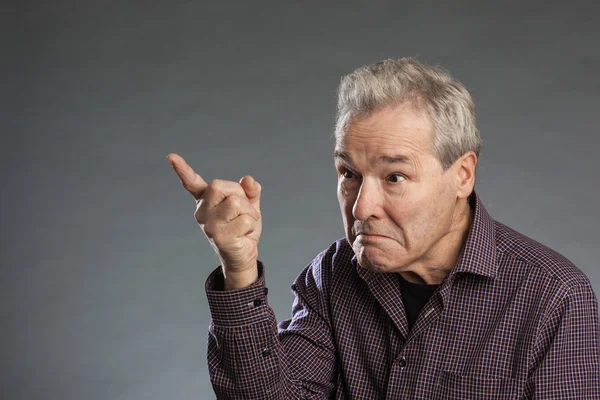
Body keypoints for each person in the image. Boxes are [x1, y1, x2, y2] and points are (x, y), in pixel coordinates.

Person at [167, 58, 599, 399]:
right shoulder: (335, 275)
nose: (362, 207)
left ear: (463, 174)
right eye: (348, 173)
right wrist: (239, 267)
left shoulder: (554, 299)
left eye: (394, 177)